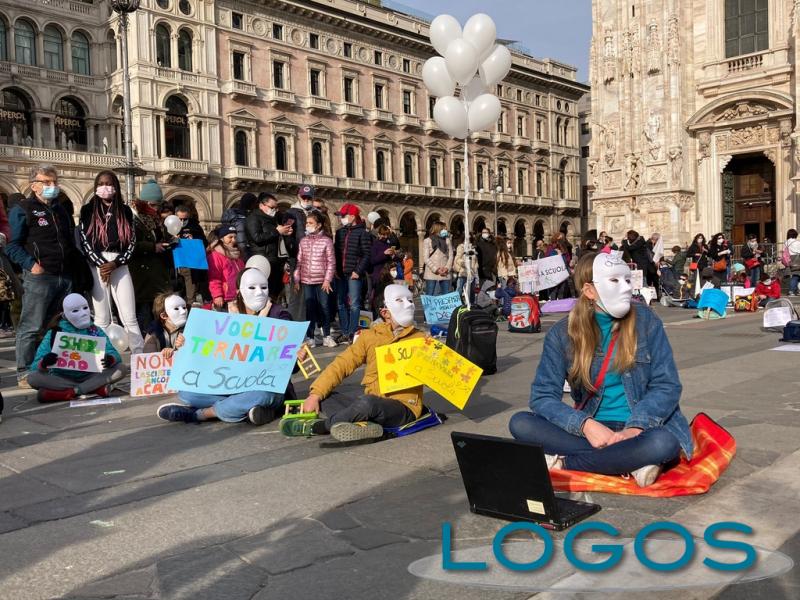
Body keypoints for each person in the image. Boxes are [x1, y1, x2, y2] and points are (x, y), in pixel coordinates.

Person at [508, 251, 692, 487]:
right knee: (521, 423)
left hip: (643, 429)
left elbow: (667, 385)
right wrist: (585, 424)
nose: (626, 287)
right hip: (591, 429)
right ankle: (628, 461)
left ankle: (565, 464)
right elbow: (542, 396)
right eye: (614, 280)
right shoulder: (562, 334)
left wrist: (636, 427)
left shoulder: (646, 320)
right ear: (589, 291)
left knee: (663, 443)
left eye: (627, 280)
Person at [282, 284, 426, 442]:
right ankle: (362, 424)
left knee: (367, 404)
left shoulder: (421, 339)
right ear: (385, 313)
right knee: (326, 396)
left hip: (403, 407)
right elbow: (342, 364)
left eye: (411, 300)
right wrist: (315, 394)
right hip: (371, 402)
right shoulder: (369, 337)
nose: (409, 305)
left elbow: (441, 369)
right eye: (400, 300)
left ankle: (319, 427)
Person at [157, 268, 293, 426]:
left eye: (264, 287)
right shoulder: (227, 314)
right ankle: (246, 410)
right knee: (187, 393)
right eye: (252, 287)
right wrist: (185, 345)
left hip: (266, 386)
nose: (259, 292)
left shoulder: (279, 315)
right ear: (239, 291)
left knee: (261, 395)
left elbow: (291, 365)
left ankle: (200, 414)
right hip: (230, 385)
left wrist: (296, 355)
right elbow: (209, 349)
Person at [7, 165, 76, 386]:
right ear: (34, 185)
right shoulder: (23, 209)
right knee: (31, 326)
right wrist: (32, 265)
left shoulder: (61, 210)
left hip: (64, 276)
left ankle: (53, 366)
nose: (52, 186)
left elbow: (69, 240)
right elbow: (12, 245)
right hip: (40, 277)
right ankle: (24, 372)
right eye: (46, 182)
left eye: (55, 182)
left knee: (59, 326)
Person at [79, 170, 144, 355]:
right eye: (100, 184)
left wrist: (116, 263)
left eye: (108, 184)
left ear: (115, 187)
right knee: (101, 317)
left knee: (129, 316)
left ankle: (139, 356)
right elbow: (84, 240)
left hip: (119, 263)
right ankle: (98, 358)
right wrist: (101, 264)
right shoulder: (87, 210)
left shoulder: (125, 211)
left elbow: (132, 242)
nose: (104, 187)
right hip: (97, 263)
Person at [28, 293, 126, 403]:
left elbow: (114, 353)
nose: (83, 313)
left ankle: (71, 392)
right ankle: (92, 388)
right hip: (62, 378)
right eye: (75, 310)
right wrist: (44, 363)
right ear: (64, 314)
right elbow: (35, 367)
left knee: (121, 368)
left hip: (91, 376)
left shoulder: (95, 330)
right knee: (33, 377)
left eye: (85, 308)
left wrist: (110, 359)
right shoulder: (55, 332)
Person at [129, 179, 174, 331]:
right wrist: (152, 247)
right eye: (152, 205)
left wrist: (169, 241)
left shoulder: (155, 219)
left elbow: (158, 238)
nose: (155, 209)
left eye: (157, 205)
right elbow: (130, 244)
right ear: (143, 202)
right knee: (144, 317)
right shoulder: (132, 218)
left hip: (156, 275)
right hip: (141, 276)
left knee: (157, 314)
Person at [294, 210, 337, 348]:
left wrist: (327, 280)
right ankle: (310, 337)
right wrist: (297, 279)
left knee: (324, 307)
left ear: (318, 225)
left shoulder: (327, 241)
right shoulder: (303, 241)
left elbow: (331, 262)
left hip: (322, 281)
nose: (307, 225)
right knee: (310, 308)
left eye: (310, 223)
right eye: (306, 223)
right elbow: (299, 261)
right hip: (307, 280)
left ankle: (327, 336)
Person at [334, 203, 372, 343]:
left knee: (354, 304)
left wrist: (358, 270)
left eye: (343, 216)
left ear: (352, 216)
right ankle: (344, 331)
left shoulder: (363, 233)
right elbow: (336, 252)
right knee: (340, 303)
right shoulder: (340, 232)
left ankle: (352, 332)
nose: (341, 219)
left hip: (354, 274)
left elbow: (367, 254)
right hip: (340, 273)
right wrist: (335, 269)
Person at [245, 192, 292, 300]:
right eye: (272, 207)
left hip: (276, 259)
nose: (275, 210)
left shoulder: (273, 219)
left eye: (276, 208)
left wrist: (285, 233)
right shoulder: (253, 218)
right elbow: (257, 238)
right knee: (264, 292)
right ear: (262, 205)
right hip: (263, 259)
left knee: (274, 293)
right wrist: (277, 231)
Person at [284, 184, 317, 320]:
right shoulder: (291, 213)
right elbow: (287, 235)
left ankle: (312, 324)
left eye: (309, 197)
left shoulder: (318, 213)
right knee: (297, 291)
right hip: (298, 257)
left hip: (316, 258)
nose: (306, 200)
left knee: (314, 292)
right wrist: (291, 251)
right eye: (304, 197)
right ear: (298, 196)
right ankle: (295, 321)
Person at [175, 204, 209, 304]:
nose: (182, 222)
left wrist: (194, 240)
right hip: (174, 263)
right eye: (180, 219)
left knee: (190, 290)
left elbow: (204, 242)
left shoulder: (195, 227)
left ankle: (190, 304)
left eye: (185, 219)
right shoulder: (170, 225)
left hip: (190, 264)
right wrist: (173, 239)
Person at [207, 224, 245, 311]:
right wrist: (217, 295)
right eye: (230, 237)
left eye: (235, 237)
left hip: (239, 296)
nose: (233, 240)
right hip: (225, 298)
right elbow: (214, 278)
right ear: (221, 238)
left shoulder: (238, 254)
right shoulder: (216, 255)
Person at [142, 292, 187, 357]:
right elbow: (148, 358)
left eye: (184, 307)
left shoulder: (189, 329)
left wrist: (185, 347)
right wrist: (162, 355)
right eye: (176, 309)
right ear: (164, 316)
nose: (183, 311)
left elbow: (199, 353)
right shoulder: (153, 333)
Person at [422, 221, 453, 296]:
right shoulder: (427, 241)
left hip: (445, 273)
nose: (445, 230)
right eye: (444, 229)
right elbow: (426, 258)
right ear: (438, 229)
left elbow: (451, 256)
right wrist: (436, 269)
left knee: (445, 296)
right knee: (430, 295)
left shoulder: (447, 241)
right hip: (431, 273)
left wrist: (447, 268)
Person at [369, 225, 397, 308]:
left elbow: (391, 260)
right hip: (378, 275)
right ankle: (375, 313)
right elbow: (372, 260)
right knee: (378, 297)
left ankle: (385, 313)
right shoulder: (375, 244)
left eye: (387, 235)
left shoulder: (388, 245)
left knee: (387, 297)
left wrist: (393, 256)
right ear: (379, 234)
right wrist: (384, 254)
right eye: (383, 234)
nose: (385, 236)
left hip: (387, 275)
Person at [222, 193, 257, 257]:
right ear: (250, 204)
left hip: (238, 250)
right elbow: (241, 238)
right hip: (239, 251)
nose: (254, 207)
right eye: (254, 204)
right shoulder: (239, 217)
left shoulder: (242, 215)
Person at [454, 236, 479, 300]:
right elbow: (457, 259)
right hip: (463, 272)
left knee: (472, 290)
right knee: (459, 289)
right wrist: (464, 264)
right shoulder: (461, 247)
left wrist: (475, 268)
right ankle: (457, 303)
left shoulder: (473, 248)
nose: (469, 240)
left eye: (470, 238)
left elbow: (475, 260)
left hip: (472, 273)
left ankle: (471, 304)